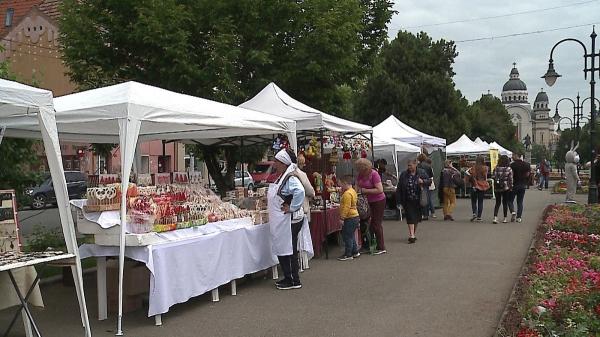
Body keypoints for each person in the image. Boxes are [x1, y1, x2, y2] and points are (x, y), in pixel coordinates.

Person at [269, 148, 305, 290]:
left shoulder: (290, 177)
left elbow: (300, 191)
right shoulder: (283, 176)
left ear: (284, 163)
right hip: (283, 220)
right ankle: (288, 277)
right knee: (284, 247)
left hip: (289, 219)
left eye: (277, 161)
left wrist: (291, 207)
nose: (274, 163)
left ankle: (293, 280)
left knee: (289, 248)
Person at [355, 158, 387, 255]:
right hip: (366, 201)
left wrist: (364, 191)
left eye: (359, 168)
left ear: (364, 168)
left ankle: (381, 247)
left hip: (378, 201)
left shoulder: (374, 174)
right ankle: (366, 246)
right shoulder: (360, 175)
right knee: (364, 223)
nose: (358, 170)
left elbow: (380, 190)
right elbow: (357, 186)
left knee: (376, 224)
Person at [397, 159, 431, 243]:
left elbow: (429, 181)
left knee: (416, 218)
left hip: (418, 199)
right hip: (408, 199)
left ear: (415, 165)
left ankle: (413, 233)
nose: (409, 167)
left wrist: (423, 181)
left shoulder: (421, 172)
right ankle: (411, 235)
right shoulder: (404, 174)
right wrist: (398, 201)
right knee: (410, 217)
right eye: (408, 165)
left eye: (410, 165)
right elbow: (399, 188)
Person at [337, 175, 360, 261]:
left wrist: (342, 218)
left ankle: (348, 253)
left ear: (345, 183)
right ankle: (355, 251)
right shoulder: (353, 191)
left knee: (347, 236)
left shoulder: (347, 194)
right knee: (351, 235)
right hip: (354, 216)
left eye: (341, 184)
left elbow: (346, 207)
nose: (340, 186)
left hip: (350, 217)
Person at [509, 152, 531, 223]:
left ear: (516, 155)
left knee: (510, 200)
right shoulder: (526, 164)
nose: (512, 157)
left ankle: (512, 211)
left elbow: (510, 175)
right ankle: (519, 217)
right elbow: (528, 174)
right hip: (522, 185)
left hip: (514, 185)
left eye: (513, 155)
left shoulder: (512, 165)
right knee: (520, 201)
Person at [467, 155, 489, 222]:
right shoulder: (485, 168)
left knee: (473, 201)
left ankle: (474, 213)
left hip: (474, 185)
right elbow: (485, 177)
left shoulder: (473, 167)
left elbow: (469, 174)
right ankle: (479, 217)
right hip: (481, 186)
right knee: (480, 201)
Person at [492, 155, 514, 224]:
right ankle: (505, 218)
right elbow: (510, 179)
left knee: (497, 203)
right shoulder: (509, 169)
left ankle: (495, 217)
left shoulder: (496, 168)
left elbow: (493, 176)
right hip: (505, 187)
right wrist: (511, 187)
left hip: (497, 187)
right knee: (505, 202)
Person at [417, 154, 436, 220]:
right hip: (426, 184)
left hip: (418, 184)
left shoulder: (417, 166)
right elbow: (431, 176)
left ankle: (421, 214)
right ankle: (426, 214)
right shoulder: (428, 166)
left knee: (420, 199)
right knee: (426, 199)